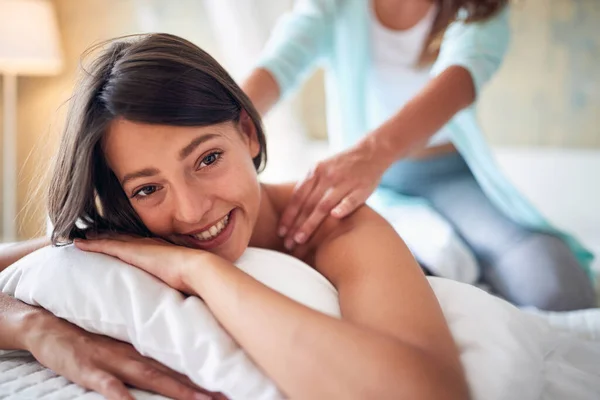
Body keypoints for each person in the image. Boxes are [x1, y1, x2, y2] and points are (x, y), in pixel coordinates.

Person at [0, 33, 468, 400]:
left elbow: (430, 393)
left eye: (206, 159)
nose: (190, 210)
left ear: (248, 133)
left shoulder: (339, 226)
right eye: (148, 187)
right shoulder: (129, 232)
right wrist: (33, 329)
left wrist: (199, 270)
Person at [241, 0, 597, 311]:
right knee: (395, 285)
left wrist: (371, 156)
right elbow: (281, 61)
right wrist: (220, 125)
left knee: (555, 287)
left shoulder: (479, 7)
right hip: (369, 184)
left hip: (448, 175)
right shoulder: (334, 5)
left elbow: (462, 75)